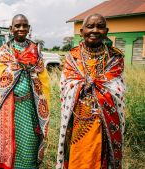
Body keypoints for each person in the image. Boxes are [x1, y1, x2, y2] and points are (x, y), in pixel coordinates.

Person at [56, 14, 125, 169]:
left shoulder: (115, 58)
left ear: (106, 31)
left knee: (101, 159)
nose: (95, 30)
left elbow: (118, 90)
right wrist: (82, 85)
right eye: (90, 26)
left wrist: (94, 85)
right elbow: (65, 86)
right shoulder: (72, 57)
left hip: (104, 120)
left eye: (100, 26)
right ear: (81, 31)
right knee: (77, 158)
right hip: (78, 121)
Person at [0, 14, 50, 169]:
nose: (21, 29)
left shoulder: (36, 51)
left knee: (29, 141)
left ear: (29, 29)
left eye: (24, 26)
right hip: (8, 108)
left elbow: (44, 81)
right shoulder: (4, 52)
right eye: (17, 26)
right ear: (11, 29)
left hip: (30, 107)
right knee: (8, 141)